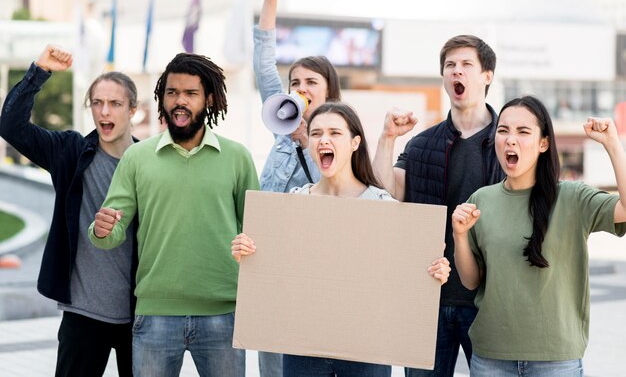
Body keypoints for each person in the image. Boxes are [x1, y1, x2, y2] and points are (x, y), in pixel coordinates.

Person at [232, 102, 452, 377]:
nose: (324, 139)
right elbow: (277, 277)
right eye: (316, 134)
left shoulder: (381, 205)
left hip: (366, 352)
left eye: (335, 133)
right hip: (304, 350)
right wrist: (249, 254)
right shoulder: (294, 205)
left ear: (354, 143)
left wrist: (433, 272)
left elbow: (400, 278)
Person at [88, 53, 259, 377]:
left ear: (209, 99)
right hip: (154, 315)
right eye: (171, 93)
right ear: (161, 98)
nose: (179, 101)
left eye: (190, 93)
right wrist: (101, 230)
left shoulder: (237, 158)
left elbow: (256, 232)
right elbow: (110, 233)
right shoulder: (137, 158)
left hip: (223, 315)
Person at [452, 96, 626, 376]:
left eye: (523, 132)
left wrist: (613, 145)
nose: (511, 140)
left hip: (556, 359)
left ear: (543, 143)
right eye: (503, 130)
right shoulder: (481, 200)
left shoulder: (573, 198)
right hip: (491, 358)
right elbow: (471, 280)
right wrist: (459, 236)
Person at [0, 44, 138, 376]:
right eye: (97, 103)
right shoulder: (70, 151)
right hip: (83, 313)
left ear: (133, 109)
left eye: (115, 104)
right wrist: (39, 71)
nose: (104, 112)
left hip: (140, 314)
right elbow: (10, 126)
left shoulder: (149, 162)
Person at [372, 34, 504, 377]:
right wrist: (388, 139)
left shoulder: (508, 144)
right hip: (429, 300)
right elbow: (387, 192)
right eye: (449, 66)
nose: (456, 72)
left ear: (486, 75)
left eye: (465, 65)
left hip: (489, 302)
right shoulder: (421, 145)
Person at [253, 0, 342, 376]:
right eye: (295, 83)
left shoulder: (341, 138)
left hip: (314, 269)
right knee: (272, 365)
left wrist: (311, 141)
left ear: (329, 93)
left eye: (311, 83)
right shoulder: (280, 126)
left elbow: (339, 192)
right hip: (270, 260)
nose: (300, 88)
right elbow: (263, 60)